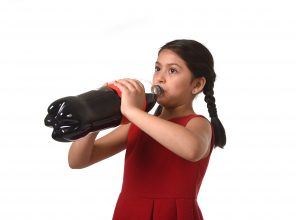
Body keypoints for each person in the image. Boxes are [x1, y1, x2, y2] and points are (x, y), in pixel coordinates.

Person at [68, 39, 226, 220]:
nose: (160, 77)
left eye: (172, 70)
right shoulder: (139, 123)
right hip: (129, 212)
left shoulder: (197, 124)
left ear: (197, 85)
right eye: (158, 68)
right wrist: (95, 118)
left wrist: (132, 111)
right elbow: (78, 160)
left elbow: (192, 149)